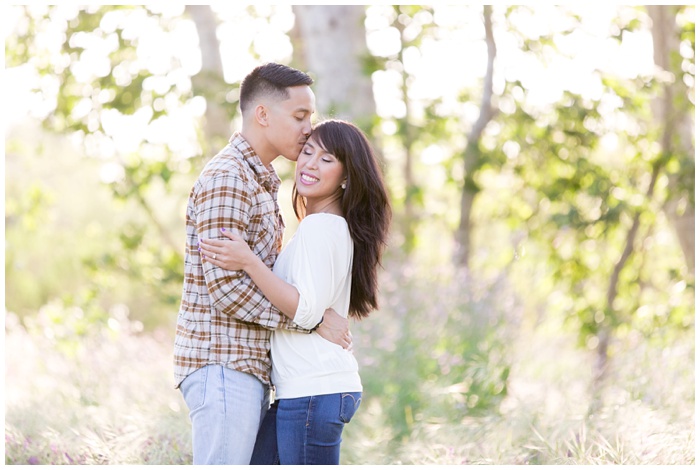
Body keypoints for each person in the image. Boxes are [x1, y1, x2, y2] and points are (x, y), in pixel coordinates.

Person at [173, 63, 351, 465]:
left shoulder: (261, 181)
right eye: (300, 116)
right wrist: (311, 319)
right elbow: (227, 290)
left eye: (311, 117)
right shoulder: (228, 177)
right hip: (222, 363)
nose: (309, 128)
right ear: (263, 115)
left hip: (247, 368)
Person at [199, 119, 392, 465]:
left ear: (346, 176)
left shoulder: (322, 227)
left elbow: (304, 311)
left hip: (313, 393)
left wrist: (248, 261)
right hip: (304, 392)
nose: (309, 164)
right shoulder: (320, 227)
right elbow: (314, 309)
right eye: (307, 152)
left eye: (327, 159)